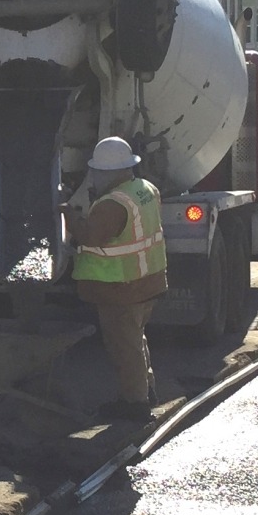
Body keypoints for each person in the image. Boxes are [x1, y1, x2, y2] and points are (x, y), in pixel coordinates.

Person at [64, 137, 167, 422]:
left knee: (124, 346)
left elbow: (91, 236)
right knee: (135, 339)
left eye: (97, 172)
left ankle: (134, 404)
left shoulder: (112, 203)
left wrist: (69, 216)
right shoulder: (145, 189)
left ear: (107, 172)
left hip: (122, 288)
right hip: (148, 280)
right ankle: (146, 390)